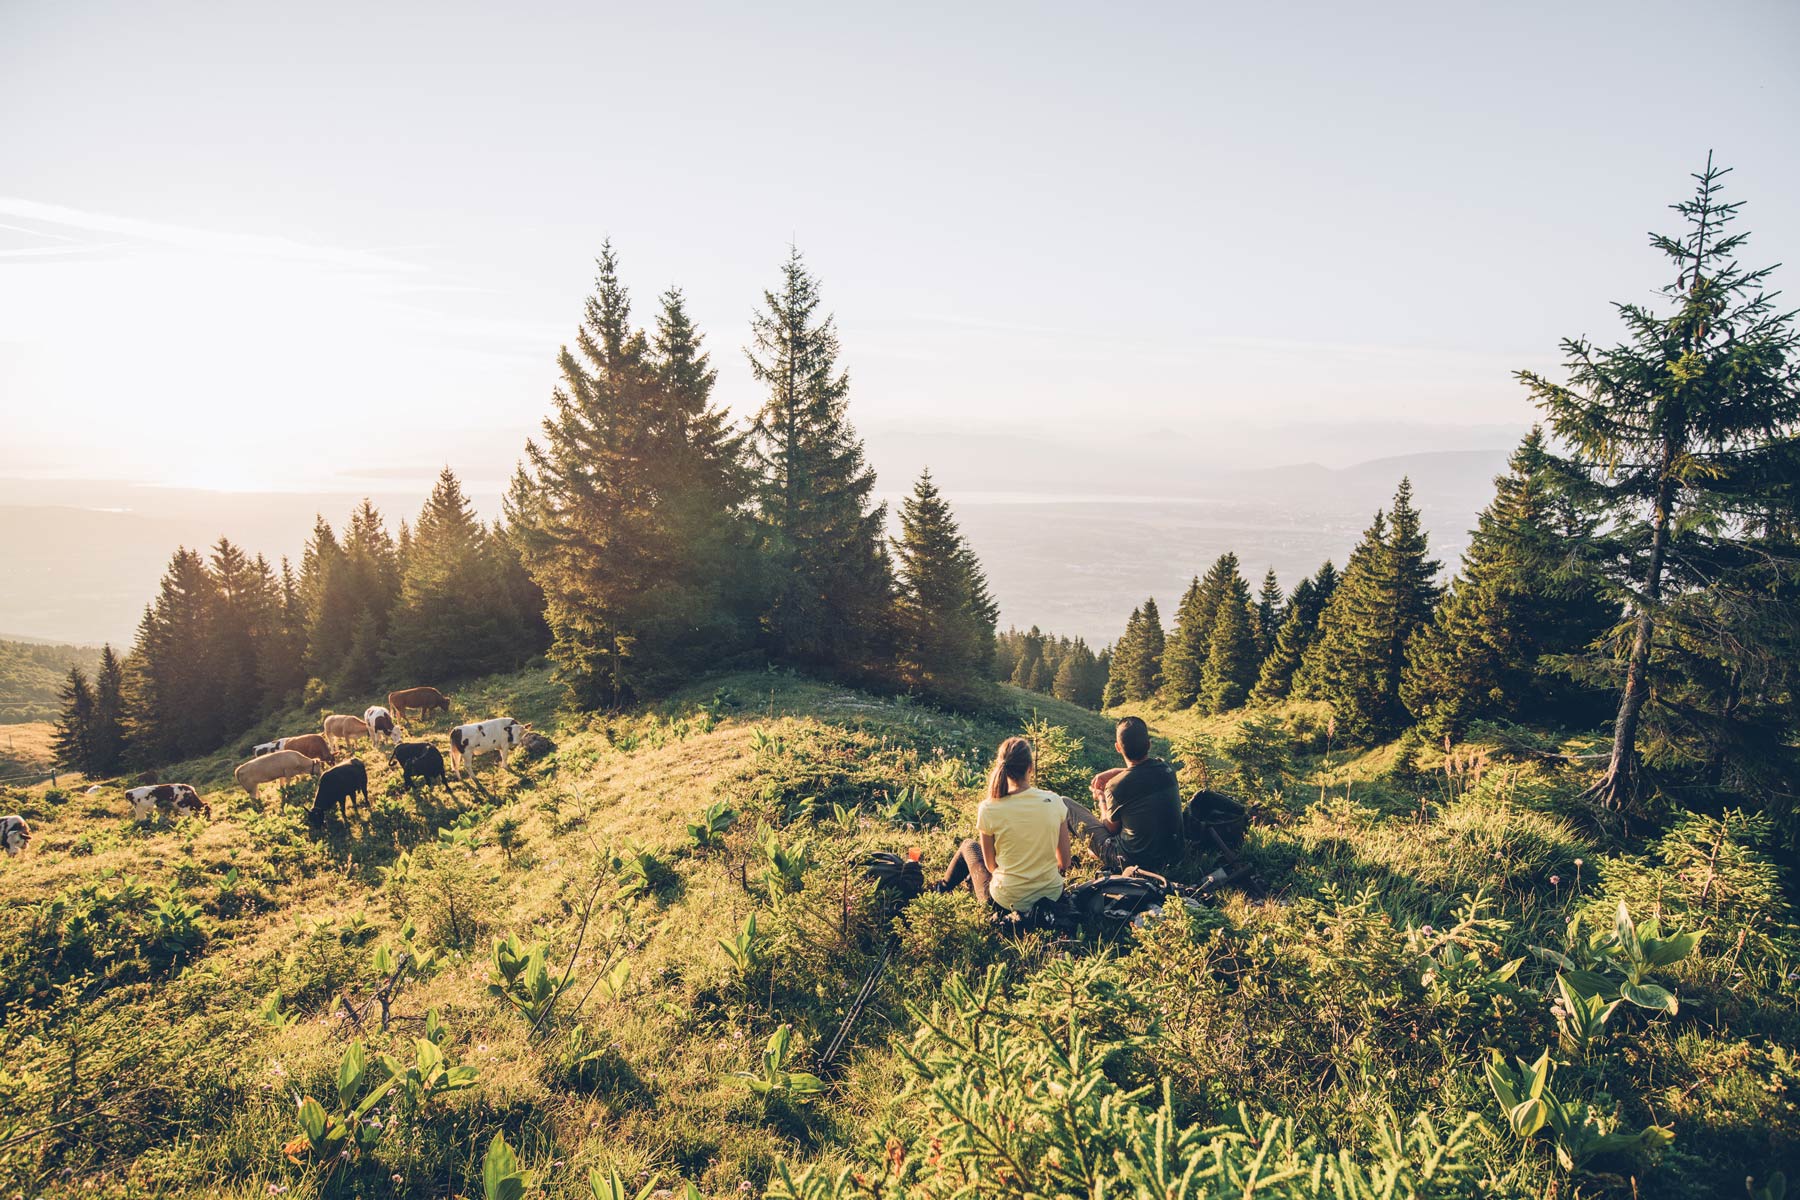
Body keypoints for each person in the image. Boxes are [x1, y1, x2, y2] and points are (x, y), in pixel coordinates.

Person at [937, 735, 1072, 912]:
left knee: (968, 846)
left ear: (1003, 769)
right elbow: (1065, 862)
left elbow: (991, 866)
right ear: (1030, 768)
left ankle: (940, 889)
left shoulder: (989, 808)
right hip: (1052, 896)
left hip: (1006, 902)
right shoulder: (1054, 801)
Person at [1064, 716, 1184, 871]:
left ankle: (1064, 866)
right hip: (1175, 856)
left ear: (1118, 747)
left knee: (1064, 803)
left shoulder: (1116, 786)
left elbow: (1110, 828)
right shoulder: (1166, 769)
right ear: (1149, 744)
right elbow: (1144, 772)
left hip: (1133, 863)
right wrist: (1115, 772)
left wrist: (1101, 798)